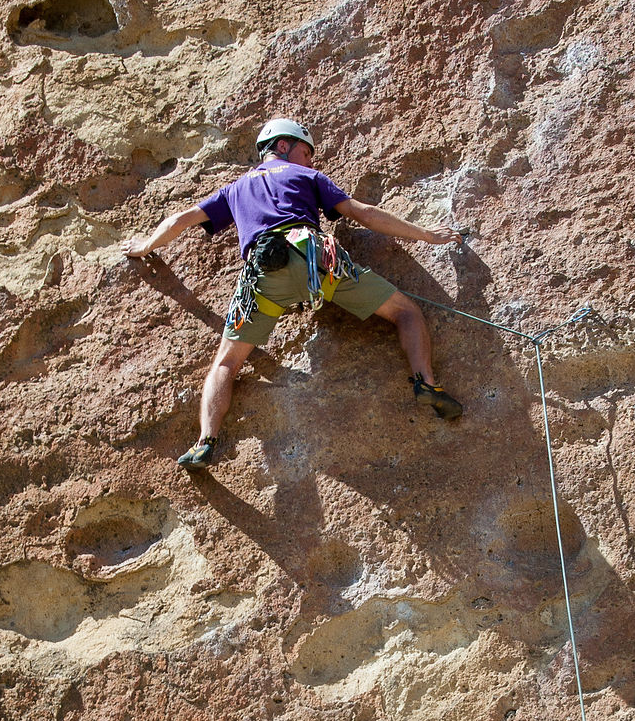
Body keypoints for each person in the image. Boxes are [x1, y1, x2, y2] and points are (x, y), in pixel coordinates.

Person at [122, 116, 464, 467]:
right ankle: (427, 384)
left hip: (264, 275)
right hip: (315, 264)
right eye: (306, 152)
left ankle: (204, 441)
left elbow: (180, 220)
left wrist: (144, 247)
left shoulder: (236, 189)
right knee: (405, 312)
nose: (310, 161)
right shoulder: (305, 176)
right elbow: (361, 212)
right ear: (283, 146)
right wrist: (426, 234)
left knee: (226, 361)